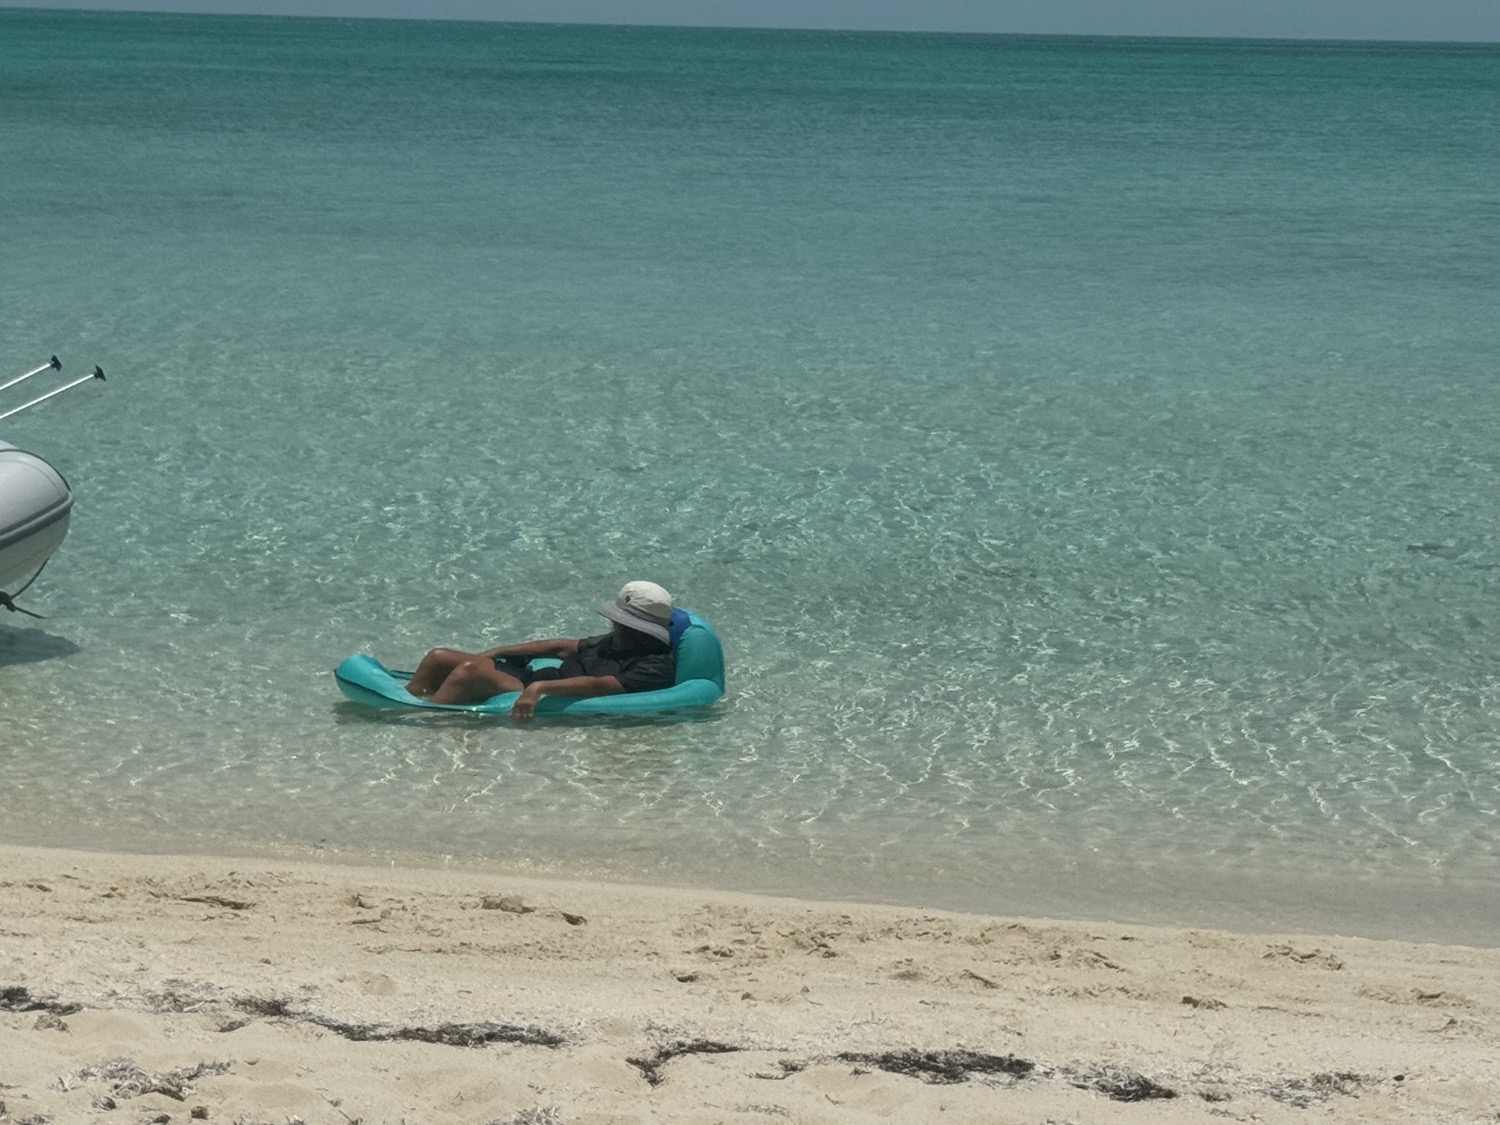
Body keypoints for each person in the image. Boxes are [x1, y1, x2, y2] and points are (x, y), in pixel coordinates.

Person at [404, 581, 678, 719]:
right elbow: (560, 647)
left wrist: (539, 688)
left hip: (532, 687)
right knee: (439, 657)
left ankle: (428, 721)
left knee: (469, 672)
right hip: (531, 677)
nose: (614, 624)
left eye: (620, 621)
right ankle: (407, 702)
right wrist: (499, 651)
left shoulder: (654, 665)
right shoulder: (617, 639)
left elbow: (600, 685)